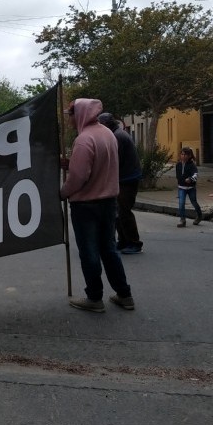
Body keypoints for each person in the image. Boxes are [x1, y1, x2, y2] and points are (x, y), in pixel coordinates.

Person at [61, 98, 134, 313]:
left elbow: (78, 178)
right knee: (109, 249)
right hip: (108, 202)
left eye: (71, 115)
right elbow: (99, 164)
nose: (69, 120)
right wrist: (71, 162)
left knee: (89, 252)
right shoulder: (107, 134)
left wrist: (63, 192)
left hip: (86, 205)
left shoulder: (84, 139)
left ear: (80, 114)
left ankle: (94, 298)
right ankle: (124, 294)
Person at [98, 113, 143, 254]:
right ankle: (123, 241)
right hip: (124, 178)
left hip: (127, 180)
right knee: (118, 212)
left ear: (107, 124)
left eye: (101, 124)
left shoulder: (117, 137)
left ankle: (134, 243)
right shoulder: (117, 134)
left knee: (123, 212)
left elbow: (113, 162)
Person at [175, 146, 203, 227]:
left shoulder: (192, 165)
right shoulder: (178, 165)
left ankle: (199, 216)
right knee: (181, 203)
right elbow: (178, 175)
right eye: (182, 154)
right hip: (181, 188)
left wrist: (190, 179)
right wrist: (180, 181)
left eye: (185, 155)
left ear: (189, 155)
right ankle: (182, 219)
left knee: (194, 202)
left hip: (191, 188)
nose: (183, 156)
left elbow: (195, 174)